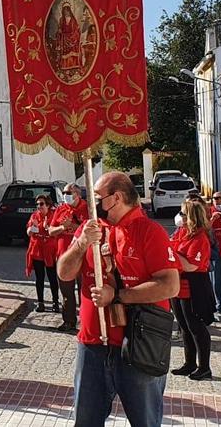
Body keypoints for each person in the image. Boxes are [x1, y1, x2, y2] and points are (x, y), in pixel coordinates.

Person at [56, 172, 180, 426]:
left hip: (138, 345)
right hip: (92, 344)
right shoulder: (90, 228)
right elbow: (64, 273)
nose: (94, 204)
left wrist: (118, 296)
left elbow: (170, 285)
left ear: (117, 198)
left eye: (98, 198)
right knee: (86, 421)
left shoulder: (150, 231)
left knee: (144, 421)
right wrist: (80, 244)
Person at [171, 200, 215, 380]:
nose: (179, 217)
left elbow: (191, 266)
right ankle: (189, 363)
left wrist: (172, 254)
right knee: (184, 327)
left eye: (182, 214)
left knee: (196, 327)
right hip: (178, 285)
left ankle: (204, 367)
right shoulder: (182, 233)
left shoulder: (200, 238)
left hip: (193, 286)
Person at [48, 183, 87, 332]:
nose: (65, 195)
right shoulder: (60, 209)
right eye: (64, 192)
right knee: (66, 292)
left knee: (84, 290)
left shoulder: (87, 209)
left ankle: (86, 321)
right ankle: (69, 321)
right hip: (64, 257)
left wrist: (73, 225)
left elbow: (91, 229)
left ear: (77, 194)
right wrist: (63, 227)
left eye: (68, 193)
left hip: (83, 257)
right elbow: (51, 231)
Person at [25, 194, 59, 312]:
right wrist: (33, 228)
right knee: (39, 278)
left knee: (52, 277)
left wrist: (47, 227)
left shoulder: (53, 215)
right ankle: (41, 303)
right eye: (37, 204)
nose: (39, 206)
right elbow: (29, 232)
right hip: (37, 250)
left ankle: (55, 302)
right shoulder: (35, 216)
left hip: (50, 251)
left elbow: (56, 231)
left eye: (41, 204)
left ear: (48, 205)